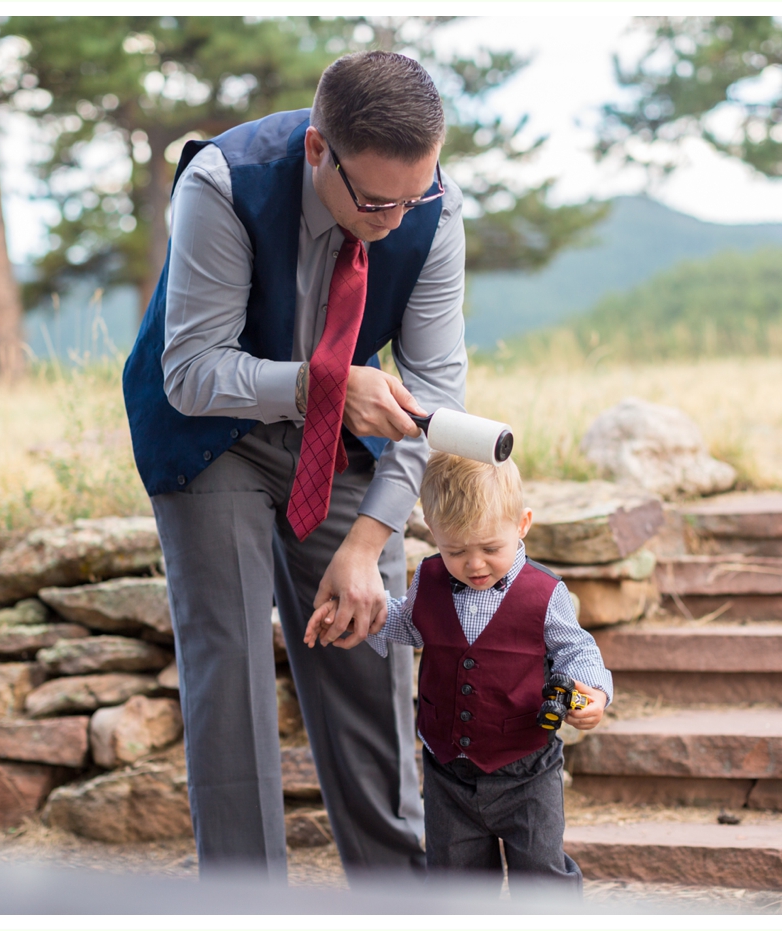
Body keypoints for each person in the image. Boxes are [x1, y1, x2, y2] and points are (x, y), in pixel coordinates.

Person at [122, 49, 466, 883]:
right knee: (230, 667)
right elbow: (195, 369)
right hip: (209, 433)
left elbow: (432, 393)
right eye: (378, 200)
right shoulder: (223, 182)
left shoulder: (432, 210)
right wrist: (324, 386)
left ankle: (399, 899)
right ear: (319, 151)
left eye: (413, 195)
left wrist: (370, 538)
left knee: (367, 651)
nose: (396, 218)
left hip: (342, 434)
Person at [307, 451, 611, 893]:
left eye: (491, 548)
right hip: (449, 771)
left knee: (542, 878)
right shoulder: (428, 578)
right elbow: (407, 623)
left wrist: (595, 694)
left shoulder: (545, 594)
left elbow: (576, 649)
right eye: (456, 550)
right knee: (456, 883)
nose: (475, 564)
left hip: (525, 771)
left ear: (522, 524)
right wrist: (354, 616)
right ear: (433, 533)